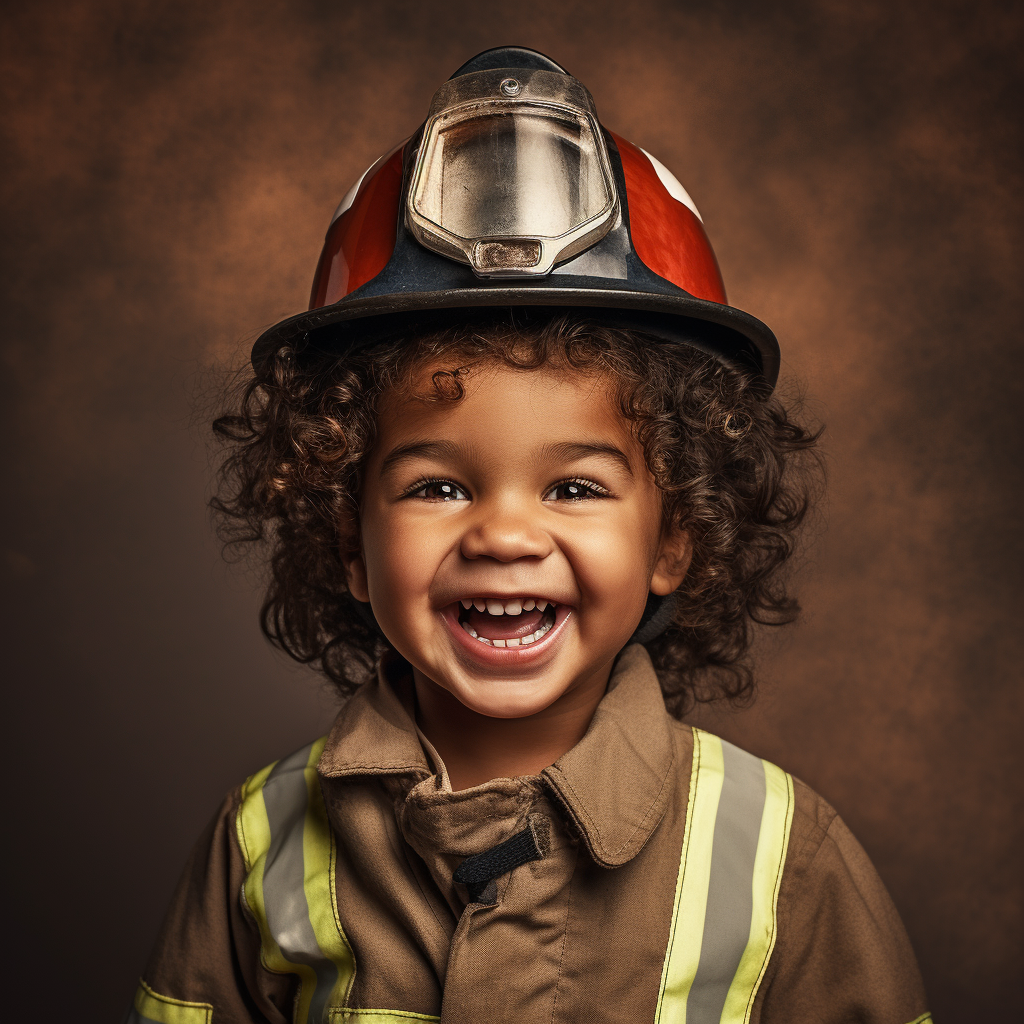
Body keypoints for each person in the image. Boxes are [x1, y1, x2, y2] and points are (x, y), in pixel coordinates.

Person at [126, 47, 931, 1024]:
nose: (504, 532)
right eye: (437, 486)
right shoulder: (260, 845)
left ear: (674, 533)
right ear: (346, 532)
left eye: (576, 485)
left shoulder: (784, 860)